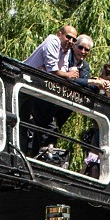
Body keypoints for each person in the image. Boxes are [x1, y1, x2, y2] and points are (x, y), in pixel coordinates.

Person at [21, 24, 77, 155]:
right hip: (24, 84)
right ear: (60, 34)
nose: (71, 41)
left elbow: (60, 71)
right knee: (22, 121)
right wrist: (68, 75)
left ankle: (33, 154)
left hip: (36, 90)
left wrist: (64, 74)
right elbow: (53, 70)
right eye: (68, 37)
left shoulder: (66, 50)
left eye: (74, 39)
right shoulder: (53, 40)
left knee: (34, 124)